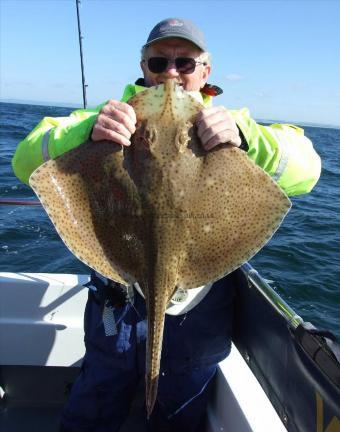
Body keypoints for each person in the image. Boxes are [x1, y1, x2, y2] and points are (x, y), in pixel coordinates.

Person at [12, 18, 321, 432]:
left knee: (180, 412)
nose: (171, 74)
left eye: (185, 63)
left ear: (205, 71)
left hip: (200, 303)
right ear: (144, 67)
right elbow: (25, 160)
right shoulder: (105, 117)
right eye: (159, 62)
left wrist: (246, 137)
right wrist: (88, 131)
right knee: (97, 396)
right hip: (117, 293)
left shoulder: (233, 123)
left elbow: (307, 168)